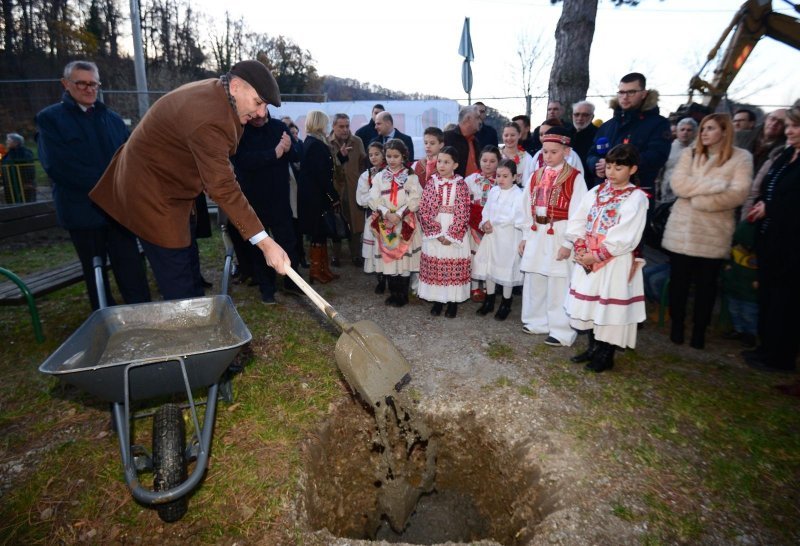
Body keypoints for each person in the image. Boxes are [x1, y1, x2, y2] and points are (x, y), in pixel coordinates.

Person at [90, 60, 288, 300]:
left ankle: (194, 312)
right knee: (177, 276)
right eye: (258, 102)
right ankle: (185, 325)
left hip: (172, 189)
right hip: (151, 194)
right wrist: (265, 242)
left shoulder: (219, 92)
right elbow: (222, 186)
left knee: (188, 262)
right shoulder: (209, 116)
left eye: (265, 106)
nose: (261, 113)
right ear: (236, 86)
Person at [37, 60, 151, 310]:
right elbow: (59, 167)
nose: (89, 89)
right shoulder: (50, 120)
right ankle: (104, 319)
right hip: (82, 212)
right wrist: (108, 186)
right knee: (95, 271)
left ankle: (143, 314)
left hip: (117, 212)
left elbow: (127, 159)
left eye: (93, 84)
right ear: (66, 84)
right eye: (81, 83)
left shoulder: (112, 119)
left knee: (131, 268)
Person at [662, 113, 753, 350]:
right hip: (682, 230)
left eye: (710, 128)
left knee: (706, 286)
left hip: (713, 232)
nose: (704, 132)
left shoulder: (741, 158)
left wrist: (701, 201)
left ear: (724, 131)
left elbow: (739, 193)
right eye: (703, 128)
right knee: (679, 283)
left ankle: (700, 331)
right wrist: (715, 186)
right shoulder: (689, 154)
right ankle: (677, 327)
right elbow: (678, 185)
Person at [564, 144, 650, 373]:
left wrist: (597, 255)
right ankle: (592, 347)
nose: (611, 172)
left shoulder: (636, 198)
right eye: (609, 166)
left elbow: (627, 234)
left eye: (618, 168)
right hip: (588, 258)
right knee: (592, 304)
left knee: (609, 306)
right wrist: (581, 246)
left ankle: (606, 352)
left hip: (614, 261)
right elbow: (578, 219)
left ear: (632, 169)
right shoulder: (597, 191)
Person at [516, 127, 588, 347]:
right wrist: (525, 235)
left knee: (559, 281)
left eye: (554, 152)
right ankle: (536, 321)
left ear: (566, 152)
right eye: (545, 151)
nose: (548, 156)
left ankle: (561, 330)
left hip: (559, 233)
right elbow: (524, 206)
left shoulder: (575, 178)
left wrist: (569, 242)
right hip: (538, 233)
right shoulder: (535, 176)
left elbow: (579, 213)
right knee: (536, 277)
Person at [743, 100, 800, 373]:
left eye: (796, 126)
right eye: (789, 125)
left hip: (792, 244)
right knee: (767, 295)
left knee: (785, 301)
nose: (789, 131)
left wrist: (771, 206)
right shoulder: (786, 155)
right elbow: (767, 188)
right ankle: (766, 348)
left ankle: (780, 355)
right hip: (769, 237)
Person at [229, 109, 302, 303]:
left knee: (288, 241)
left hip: (279, 199)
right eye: (256, 117)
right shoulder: (240, 131)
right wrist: (274, 153)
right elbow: (241, 161)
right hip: (253, 201)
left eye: (263, 116)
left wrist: (287, 150)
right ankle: (266, 289)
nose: (260, 119)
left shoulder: (279, 127)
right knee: (259, 247)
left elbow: (296, 156)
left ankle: (292, 283)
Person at [586, 72, 671, 195]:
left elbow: (656, 157)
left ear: (643, 94)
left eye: (631, 92)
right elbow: (591, 154)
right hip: (603, 194)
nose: (625, 97)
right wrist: (596, 165)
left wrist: (613, 165)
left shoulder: (658, 124)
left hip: (637, 193)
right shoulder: (607, 126)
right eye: (621, 92)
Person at [367, 139, 422, 307]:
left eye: (396, 156)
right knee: (389, 257)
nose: (392, 160)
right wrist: (385, 212)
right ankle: (393, 293)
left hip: (404, 222)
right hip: (386, 223)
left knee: (403, 259)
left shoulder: (411, 176)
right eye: (389, 156)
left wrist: (398, 214)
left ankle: (402, 295)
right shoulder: (379, 177)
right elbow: (373, 197)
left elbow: (415, 198)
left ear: (403, 156)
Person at [418, 146, 471, 318]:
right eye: (439, 161)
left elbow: (463, 211)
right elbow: (424, 209)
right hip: (435, 228)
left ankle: (452, 302)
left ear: (455, 165)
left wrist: (452, 234)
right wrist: (436, 232)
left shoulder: (461, 184)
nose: (441, 165)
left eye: (446, 162)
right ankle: (437, 300)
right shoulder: (431, 182)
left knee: (452, 265)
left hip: (454, 228)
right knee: (437, 264)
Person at [472, 158, 523, 320]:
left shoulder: (518, 195)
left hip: (508, 238)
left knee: (505, 270)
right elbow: (486, 210)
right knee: (489, 268)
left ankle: (506, 303)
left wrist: (494, 222)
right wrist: (484, 222)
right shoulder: (494, 191)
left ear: (514, 177)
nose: (500, 179)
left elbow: (514, 217)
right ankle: (489, 300)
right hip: (492, 236)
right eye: (498, 175)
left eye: (505, 176)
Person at [298, 110, 341, 284]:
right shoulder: (315, 145)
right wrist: (333, 195)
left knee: (321, 233)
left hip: (315, 196)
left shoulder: (313, 142)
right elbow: (322, 175)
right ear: (320, 123)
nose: (328, 126)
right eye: (326, 122)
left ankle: (323, 268)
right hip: (315, 198)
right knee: (318, 233)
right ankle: (316, 270)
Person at [329, 113, 367, 267]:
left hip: (354, 189)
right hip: (336, 190)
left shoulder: (357, 141)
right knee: (336, 222)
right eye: (341, 126)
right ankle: (336, 256)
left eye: (347, 126)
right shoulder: (327, 142)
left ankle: (356, 255)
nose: (345, 130)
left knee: (355, 223)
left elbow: (363, 163)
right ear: (333, 126)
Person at [465, 145, 501, 302]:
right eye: (484, 160)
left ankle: (488, 287)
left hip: (491, 226)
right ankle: (474, 287)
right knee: (474, 256)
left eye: (492, 161)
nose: (488, 164)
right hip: (472, 224)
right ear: (479, 161)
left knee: (489, 256)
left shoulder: (501, 181)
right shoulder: (470, 180)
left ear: (498, 162)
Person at [720, 220, 758, 348]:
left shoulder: (756, 258)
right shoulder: (735, 252)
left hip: (750, 293)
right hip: (733, 289)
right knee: (734, 310)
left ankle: (750, 334)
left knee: (749, 314)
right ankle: (738, 330)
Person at [357, 141, 387, 293]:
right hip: (373, 217)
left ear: (384, 154)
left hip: (389, 218)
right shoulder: (366, 175)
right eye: (371, 155)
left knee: (389, 246)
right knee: (376, 248)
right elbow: (361, 199)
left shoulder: (390, 173)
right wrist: (375, 197)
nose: (374, 157)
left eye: (377, 154)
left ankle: (392, 277)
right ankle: (380, 279)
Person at [657, 117, 698, 205]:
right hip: (666, 193)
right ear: (677, 131)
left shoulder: (698, 151)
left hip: (686, 195)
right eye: (682, 129)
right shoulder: (668, 148)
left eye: (689, 130)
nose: (685, 132)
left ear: (694, 133)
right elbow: (660, 171)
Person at [444, 105, 481, 178]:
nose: (480, 121)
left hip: (474, 187)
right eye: (477, 118)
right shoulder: (447, 138)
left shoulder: (475, 141)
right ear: (468, 119)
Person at [2, 133, 36, 203]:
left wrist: (28, 182)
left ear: (16, 142)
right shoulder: (8, 154)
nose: (6, 142)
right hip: (11, 186)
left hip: (23, 185)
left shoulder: (25, 153)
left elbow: (29, 168)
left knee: (26, 204)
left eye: (9, 140)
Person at [499, 122, 534, 188]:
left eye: (512, 135)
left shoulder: (527, 158)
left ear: (519, 135)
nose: (509, 138)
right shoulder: (496, 155)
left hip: (519, 195)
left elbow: (527, 183)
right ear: (502, 136)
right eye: (506, 135)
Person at [570, 101, 598, 171]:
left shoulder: (598, 134)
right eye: (576, 114)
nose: (580, 118)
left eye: (585, 115)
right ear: (572, 115)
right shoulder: (565, 133)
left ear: (592, 116)